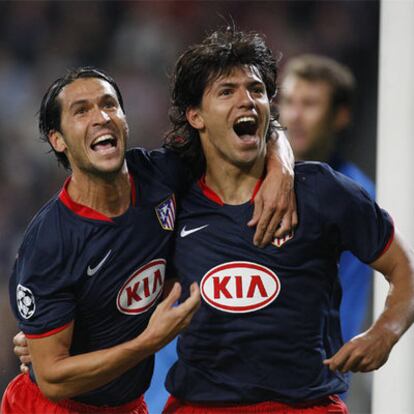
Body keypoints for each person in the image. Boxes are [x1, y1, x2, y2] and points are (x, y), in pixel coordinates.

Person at [4, 67, 296, 414]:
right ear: (58, 140)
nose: (101, 117)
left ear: (125, 120)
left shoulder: (160, 174)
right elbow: (53, 380)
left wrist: (282, 169)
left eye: (109, 105)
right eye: (81, 111)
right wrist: (149, 341)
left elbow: (253, 131)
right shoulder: (50, 243)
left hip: (129, 406)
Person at [158, 27, 414, 413]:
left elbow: (405, 269)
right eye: (227, 91)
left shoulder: (323, 191)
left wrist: (385, 333)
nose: (246, 100)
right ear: (196, 116)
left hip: (305, 404)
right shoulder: (171, 201)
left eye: (256, 90)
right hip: (201, 404)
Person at [278, 54, 375, 343]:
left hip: (306, 371)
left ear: (340, 116)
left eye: (309, 104)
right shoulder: (243, 175)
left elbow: (347, 299)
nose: (295, 115)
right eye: (288, 102)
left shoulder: (358, 197)